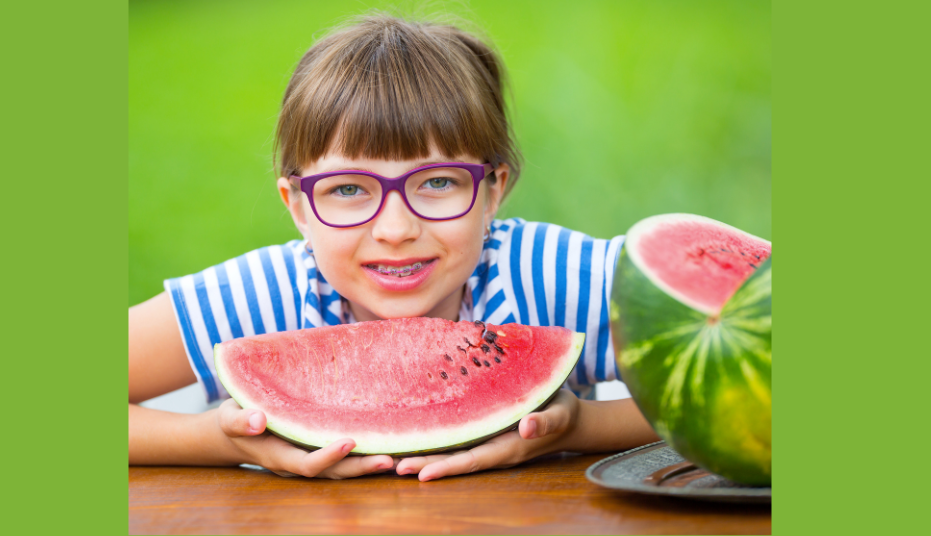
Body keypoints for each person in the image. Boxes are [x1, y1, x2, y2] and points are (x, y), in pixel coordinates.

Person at [128, 14, 658, 481]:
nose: (396, 228)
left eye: (437, 183)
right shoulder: (262, 298)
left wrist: (580, 427)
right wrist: (216, 441)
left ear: (494, 190)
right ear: (297, 206)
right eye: (349, 190)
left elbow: (738, 374)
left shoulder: (547, 275)